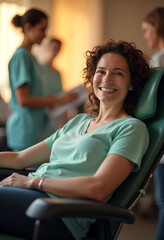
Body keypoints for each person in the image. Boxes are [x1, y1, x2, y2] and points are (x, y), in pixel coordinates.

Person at [0, 40, 150, 240]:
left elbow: (98, 188)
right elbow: (20, 158)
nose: (107, 79)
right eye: (101, 71)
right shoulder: (79, 121)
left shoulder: (131, 128)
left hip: (60, 213)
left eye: (118, 73)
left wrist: (34, 182)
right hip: (34, 197)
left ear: (132, 83)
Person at [7, 8, 77, 152]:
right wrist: (57, 101)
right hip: (25, 129)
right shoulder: (21, 57)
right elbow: (23, 100)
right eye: (42, 30)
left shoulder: (32, 59)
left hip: (37, 128)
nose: (45, 35)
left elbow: (38, 95)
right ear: (28, 27)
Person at [142, 7, 164, 240]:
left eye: (146, 29)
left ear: (156, 26)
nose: (146, 35)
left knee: (163, 201)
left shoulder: (159, 61)